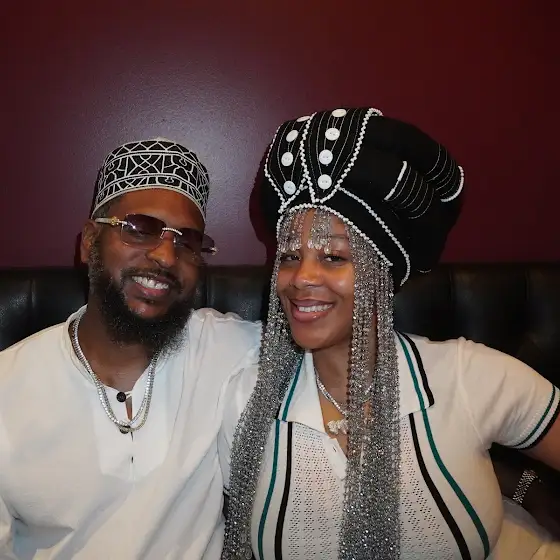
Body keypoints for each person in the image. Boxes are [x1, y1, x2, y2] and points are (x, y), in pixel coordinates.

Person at [219, 108, 560, 559]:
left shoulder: (468, 376)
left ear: (383, 271)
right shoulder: (244, 401)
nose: (301, 278)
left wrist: (525, 486)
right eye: (289, 256)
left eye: (334, 257)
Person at [0, 139, 260, 559]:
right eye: (140, 228)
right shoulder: (8, 387)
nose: (166, 256)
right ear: (89, 241)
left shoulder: (225, 349)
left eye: (187, 242)